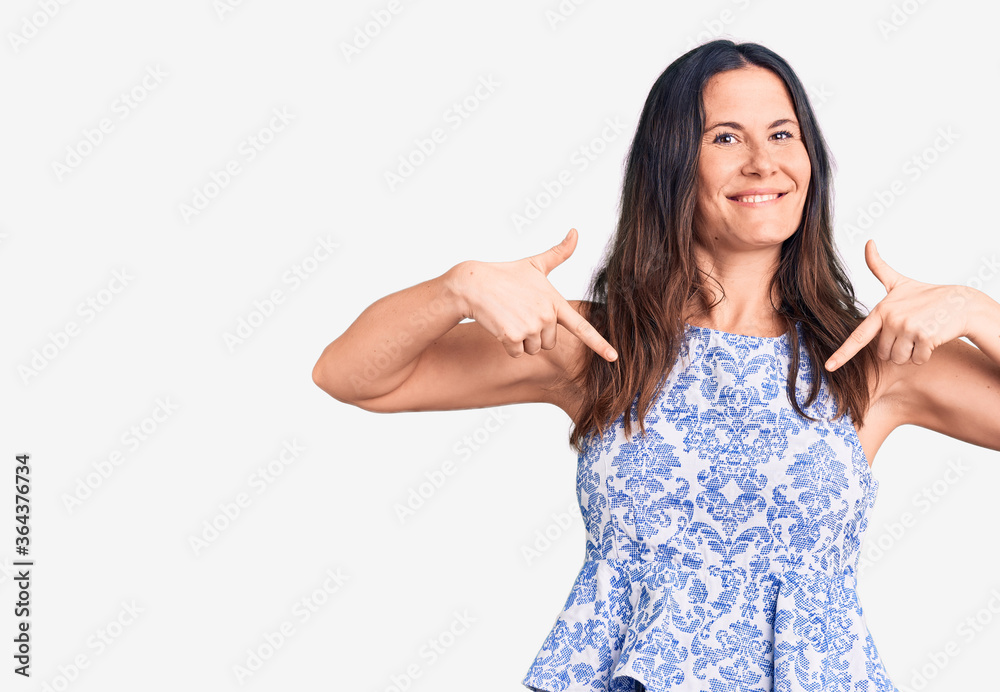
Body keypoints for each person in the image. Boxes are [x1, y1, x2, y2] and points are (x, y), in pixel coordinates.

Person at [312, 39, 1000, 692]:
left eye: (783, 133)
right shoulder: (599, 342)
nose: (763, 162)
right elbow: (353, 375)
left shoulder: (867, 357)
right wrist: (455, 287)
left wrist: (977, 312)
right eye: (725, 136)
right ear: (671, 163)